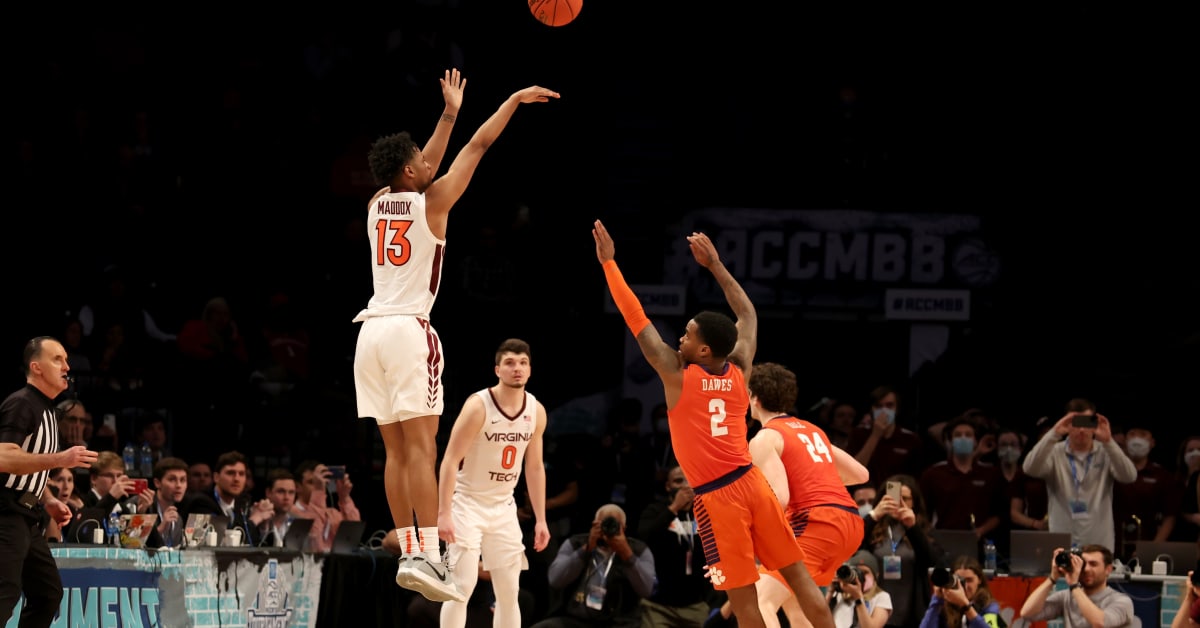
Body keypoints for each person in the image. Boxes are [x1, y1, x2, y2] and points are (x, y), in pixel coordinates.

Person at [350, 67, 559, 603]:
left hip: (368, 334)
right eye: (420, 159)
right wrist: (510, 100)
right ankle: (430, 557)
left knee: (396, 453)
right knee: (423, 448)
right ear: (410, 169)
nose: (427, 161)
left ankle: (413, 555)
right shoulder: (433, 204)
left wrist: (447, 112)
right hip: (407, 331)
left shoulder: (378, 202)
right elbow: (479, 145)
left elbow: (428, 164)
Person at [593, 220, 834, 628]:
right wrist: (716, 265)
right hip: (753, 484)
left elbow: (635, 317)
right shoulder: (739, 367)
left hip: (718, 499)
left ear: (703, 349)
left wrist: (609, 263)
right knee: (799, 578)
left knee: (744, 604)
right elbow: (747, 312)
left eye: (686, 335)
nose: (680, 339)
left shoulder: (676, 373)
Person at [436, 338, 550, 628]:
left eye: (523, 363)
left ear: (530, 370)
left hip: (503, 506)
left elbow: (534, 467)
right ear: (497, 369)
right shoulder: (478, 406)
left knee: (509, 593)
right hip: (467, 503)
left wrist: (540, 519)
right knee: (461, 588)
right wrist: (444, 512)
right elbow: (449, 460)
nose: (517, 368)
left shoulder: (535, 410)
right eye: (510, 363)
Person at [746, 362, 869, 611]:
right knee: (795, 607)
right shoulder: (813, 431)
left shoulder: (764, 438)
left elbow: (778, 498)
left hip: (817, 523)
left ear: (754, 399)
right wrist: (815, 480)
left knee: (761, 603)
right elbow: (861, 474)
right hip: (851, 524)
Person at [1, 336, 98, 627]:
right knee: (4, 594)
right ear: (36, 367)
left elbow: (28, 466)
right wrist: (59, 460)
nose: (66, 366)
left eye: (66, 359)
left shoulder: (49, 411)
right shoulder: (21, 403)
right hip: (5, 513)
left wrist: (49, 499)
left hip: (29, 515)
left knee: (47, 594)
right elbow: (5, 458)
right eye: (57, 359)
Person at [1021, 399, 1137, 549]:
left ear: (1094, 424)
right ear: (1067, 424)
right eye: (1076, 422)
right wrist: (1054, 433)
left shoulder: (1106, 451)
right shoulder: (1055, 451)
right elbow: (1029, 468)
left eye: (1087, 422)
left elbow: (1129, 476)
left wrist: (1109, 442)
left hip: (1099, 544)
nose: (1081, 429)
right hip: (1061, 542)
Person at [532, 504, 655, 628]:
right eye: (603, 524)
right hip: (574, 620)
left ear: (624, 528)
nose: (607, 529)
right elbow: (555, 579)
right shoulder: (576, 543)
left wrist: (626, 553)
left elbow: (646, 589)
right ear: (594, 524)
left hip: (618, 623)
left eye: (614, 525)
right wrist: (586, 549)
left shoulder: (638, 550)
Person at [637, 465, 714, 627]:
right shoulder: (655, 510)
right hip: (658, 606)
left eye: (689, 480)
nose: (685, 485)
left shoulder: (706, 513)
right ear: (668, 486)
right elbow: (644, 540)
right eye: (678, 481)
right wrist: (674, 509)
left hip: (696, 605)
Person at [1017, 543, 1135, 627]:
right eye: (1083, 564)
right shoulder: (1067, 596)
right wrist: (1052, 578)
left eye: (1093, 564)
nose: (1087, 569)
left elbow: (1100, 623)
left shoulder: (1121, 601)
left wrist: (1074, 585)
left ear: (1108, 570)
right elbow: (1027, 613)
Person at [918, 556, 1002, 628]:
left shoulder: (989, 606)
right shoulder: (944, 604)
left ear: (979, 580)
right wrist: (936, 600)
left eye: (969, 580)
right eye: (959, 580)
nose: (964, 586)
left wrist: (966, 606)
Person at [825, 550, 893, 628]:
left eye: (865, 572)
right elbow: (817, 620)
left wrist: (858, 598)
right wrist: (830, 592)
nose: (860, 577)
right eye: (856, 572)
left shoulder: (882, 597)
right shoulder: (840, 594)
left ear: (875, 575)